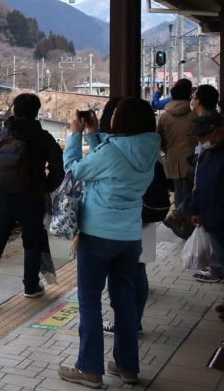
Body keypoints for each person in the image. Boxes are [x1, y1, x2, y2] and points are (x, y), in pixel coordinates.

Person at [58, 98, 160, 387]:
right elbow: (117, 152)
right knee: (124, 302)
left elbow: (74, 170)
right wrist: (93, 133)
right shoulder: (149, 148)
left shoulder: (112, 152)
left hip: (98, 235)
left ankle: (89, 369)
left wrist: (76, 135)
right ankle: (128, 367)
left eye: (114, 114)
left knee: (89, 301)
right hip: (129, 237)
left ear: (123, 121)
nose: (111, 117)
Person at [0, 93, 64, 309]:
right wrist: (44, 187)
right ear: (36, 112)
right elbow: (58, 170)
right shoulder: (43, 137)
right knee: (31, 243)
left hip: (1, 197)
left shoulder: (0, 131)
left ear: (14, 109)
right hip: (31, 198)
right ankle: (31, 287)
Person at [95, 97, 170, 334]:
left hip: (121, 218)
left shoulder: (115, 149)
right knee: (138, 269)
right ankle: (134, 320)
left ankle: (125, 323)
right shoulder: (151, 145)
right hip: (147, 213)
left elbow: (79, 172)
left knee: (121, 274)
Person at [189, 112, 224, 321]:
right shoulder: (208, 153)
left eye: (204, 136)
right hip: (211, 217)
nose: (201, 141)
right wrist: (196, 209)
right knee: (223, 262)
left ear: (218, 132)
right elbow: (200, 184)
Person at [157, 78, 198, 219]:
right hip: (191, 159)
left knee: (178, 192)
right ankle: (181, 218)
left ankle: (179, 219)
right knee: (189, 192)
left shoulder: (164, 117)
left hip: (172, 159)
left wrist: (168, 150)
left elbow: (159, 139)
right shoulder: (194, 116)